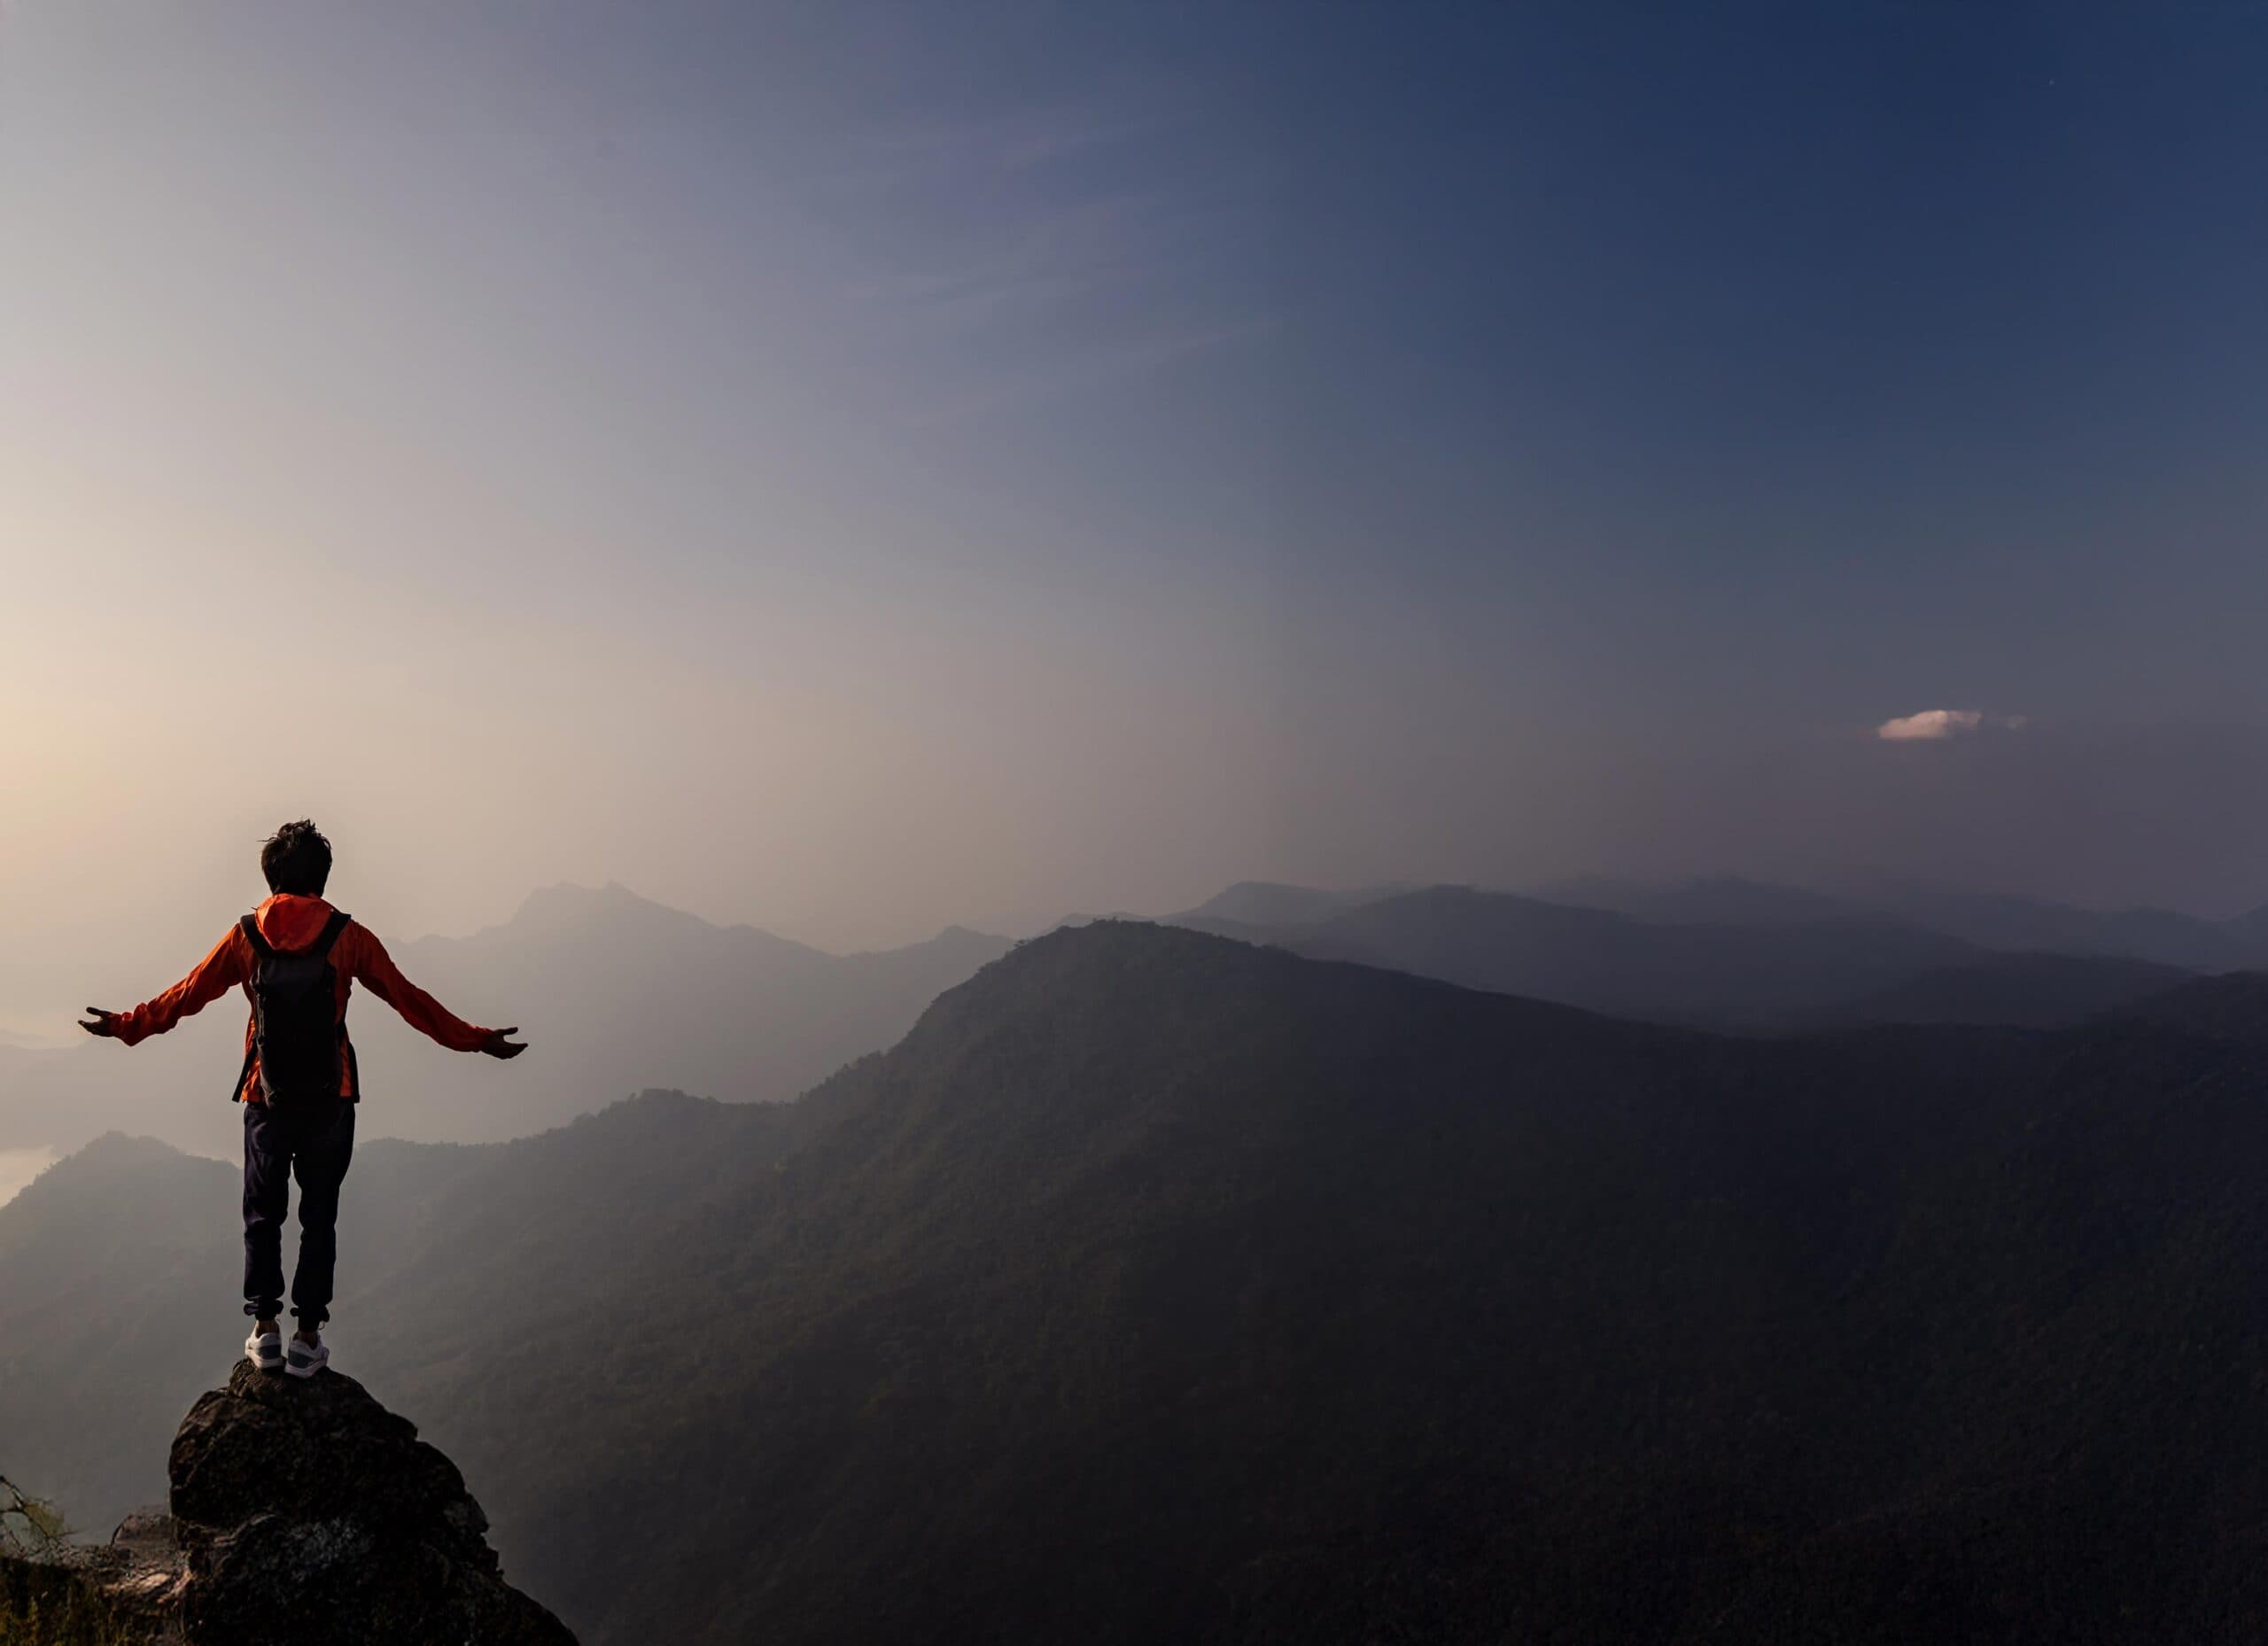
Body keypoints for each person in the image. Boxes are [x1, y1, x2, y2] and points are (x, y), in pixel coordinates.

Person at [80, 820, 524, 1377]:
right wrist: (476, 1040)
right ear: (322, 877)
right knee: (319, 1217)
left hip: (264, 1095)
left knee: (262, 1214)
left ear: (271, 877)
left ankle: (265, 1330)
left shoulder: (247, 935)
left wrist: (126, 1025)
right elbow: (409, 1000)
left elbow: (187, 994)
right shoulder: (347, 936)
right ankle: (307, 1338)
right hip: (331, 1096)